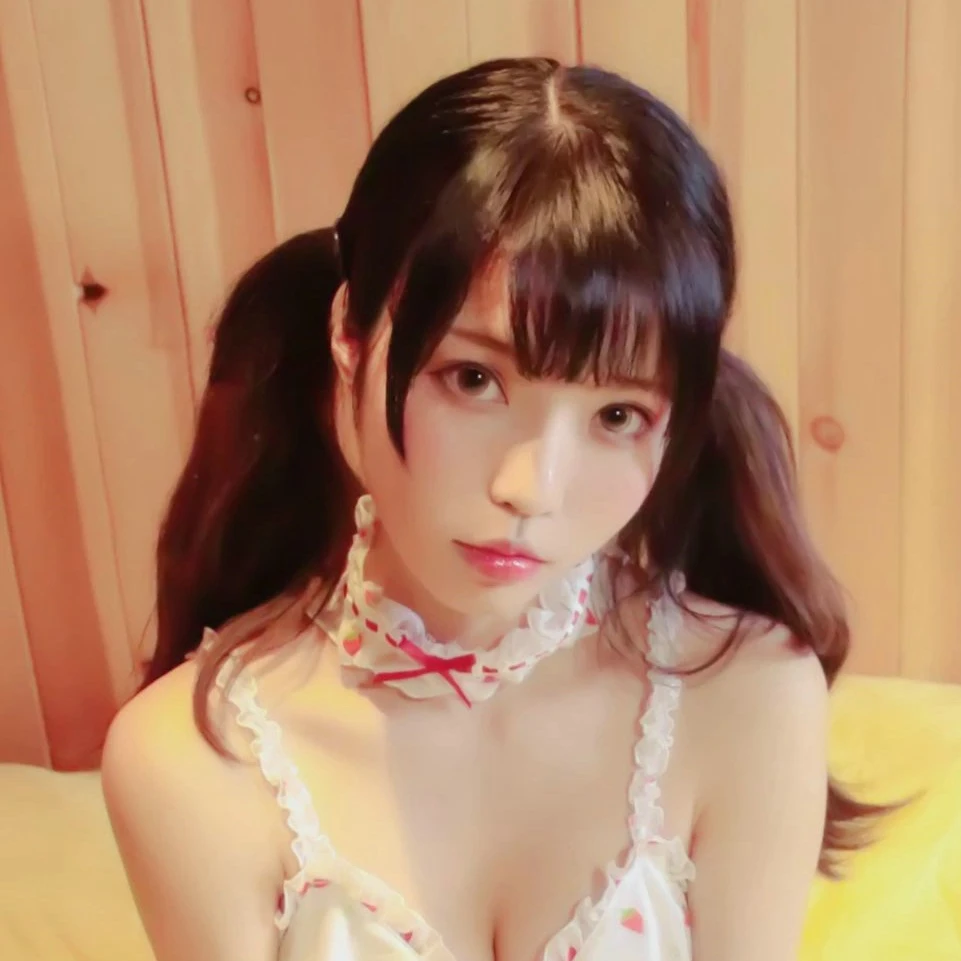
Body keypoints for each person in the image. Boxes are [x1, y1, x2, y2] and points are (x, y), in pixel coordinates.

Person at [101, 57, 884, 961]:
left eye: (617, 415)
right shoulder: (191, 759)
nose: (531, 488)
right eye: (472, 379)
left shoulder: (746, 693)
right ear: (350, 336)